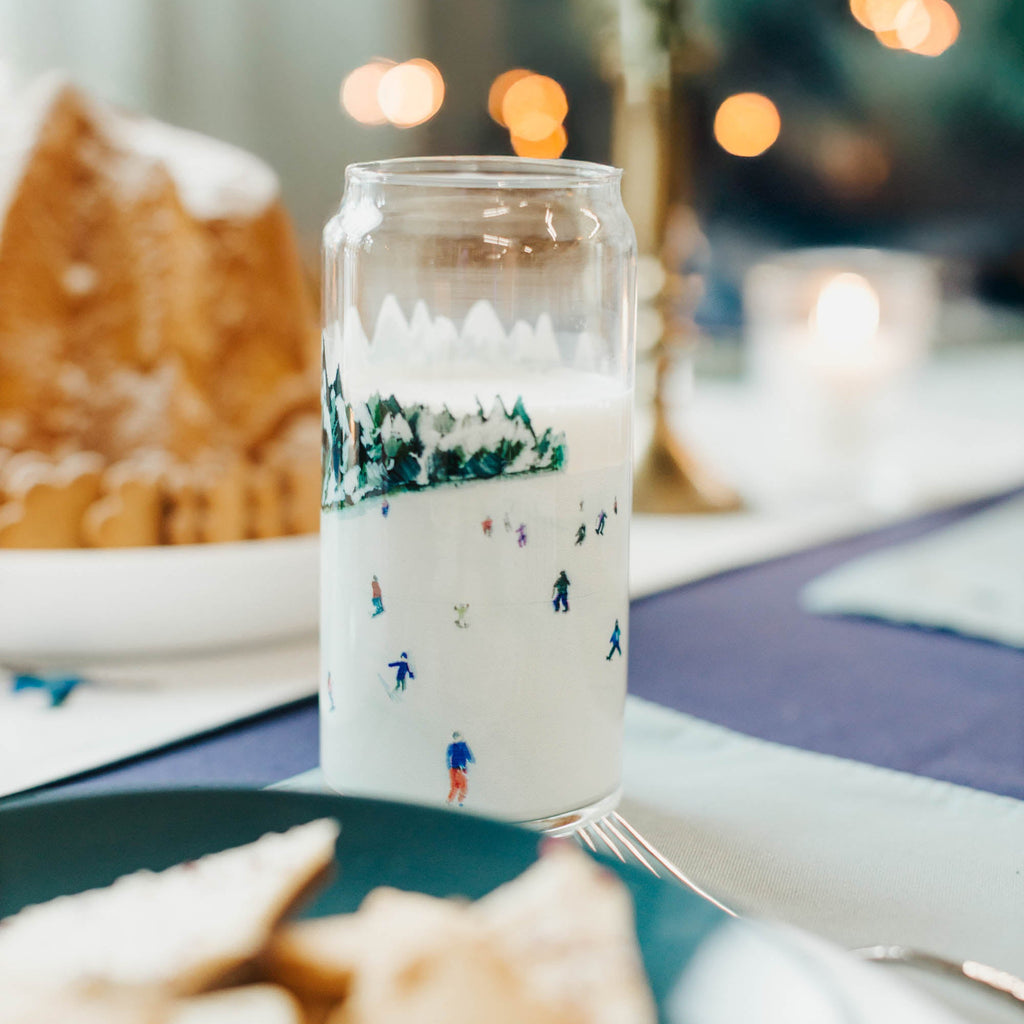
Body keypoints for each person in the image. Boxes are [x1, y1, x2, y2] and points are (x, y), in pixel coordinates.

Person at [446, 731, 475, 806]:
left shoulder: (459, 746)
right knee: (460, 786)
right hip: (458, 768)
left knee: (456, 786)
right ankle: (457, 801)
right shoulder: (459, 746)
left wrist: (449, 766)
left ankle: (452, 801)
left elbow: (469, 756)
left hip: (457, 768)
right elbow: (469, 757)